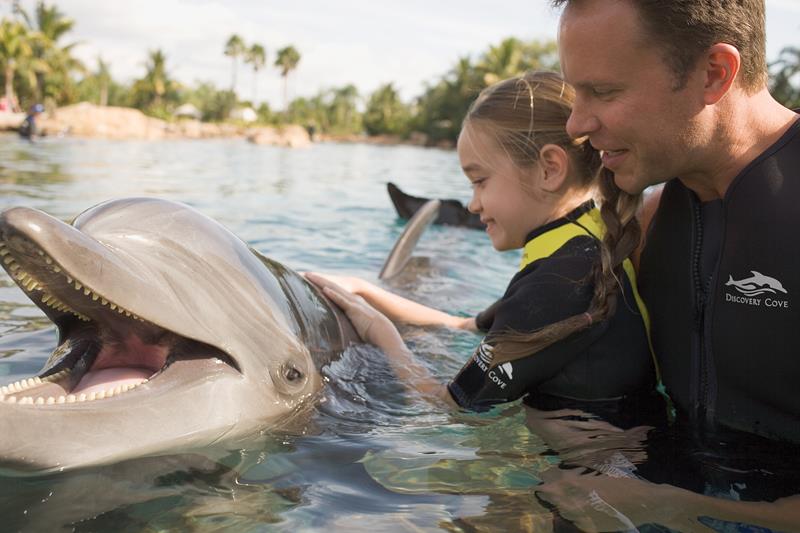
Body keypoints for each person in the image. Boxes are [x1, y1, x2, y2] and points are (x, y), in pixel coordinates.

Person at [531, 0, 800, 529]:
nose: (577, 124)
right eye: (575, 93)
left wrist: (679, 508)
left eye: (604, 92)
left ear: (714, 74)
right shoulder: (651, 222)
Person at [307, 70, 661, 421]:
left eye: (480, 181)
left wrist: (379, 332)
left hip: (598, 470)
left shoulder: (561, 282)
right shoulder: (580, 243)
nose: (473, 204)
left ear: (549, 169)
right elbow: (463, 325)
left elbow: (448, 407)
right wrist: (363, 291)